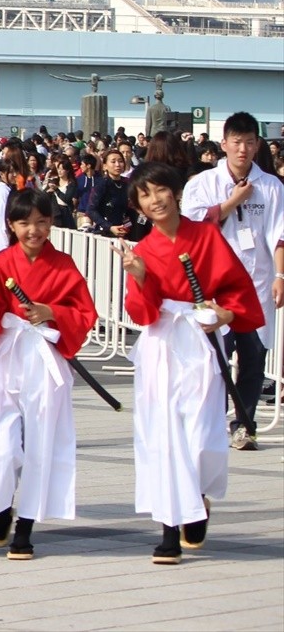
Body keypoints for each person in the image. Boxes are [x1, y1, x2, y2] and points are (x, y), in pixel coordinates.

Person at [115, 162, 262, 564]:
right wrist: (141, 277)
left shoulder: (207, 236)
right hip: (161, 342)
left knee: (201, 431)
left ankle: (197, 493)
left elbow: (236, 288)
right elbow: (142, 315)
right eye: (144, 195)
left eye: (160, 190)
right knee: (163, 434)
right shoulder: (142, 251)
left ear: (175, 192)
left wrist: (227, 315)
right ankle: (168, 529)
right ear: (139, 206)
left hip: (197, 339)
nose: (154, 200)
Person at [0, 189, 97, 561]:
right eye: (24, 222)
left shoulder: (63, 265)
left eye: (41, 222)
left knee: (41, 442)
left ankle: (25, 525)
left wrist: (52, 311)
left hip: (44, 356)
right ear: (10, 225)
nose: (33, 230)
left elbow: (85, 313)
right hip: (8, 353)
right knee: (0, 439)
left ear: (51, 224)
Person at [181, 112, 284, 452]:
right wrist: (231, 203)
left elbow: (280, 236)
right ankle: (209, 421)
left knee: (253, 357)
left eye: (249, 142)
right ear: (224, 144)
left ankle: (245, 424)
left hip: (255, 283)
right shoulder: (203, 183)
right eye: (236, 142)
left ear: (257, 146)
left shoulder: (271, 186)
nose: (243, 149)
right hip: (214, 286)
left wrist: (280, 275)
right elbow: (192, 228)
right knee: (214, 358)